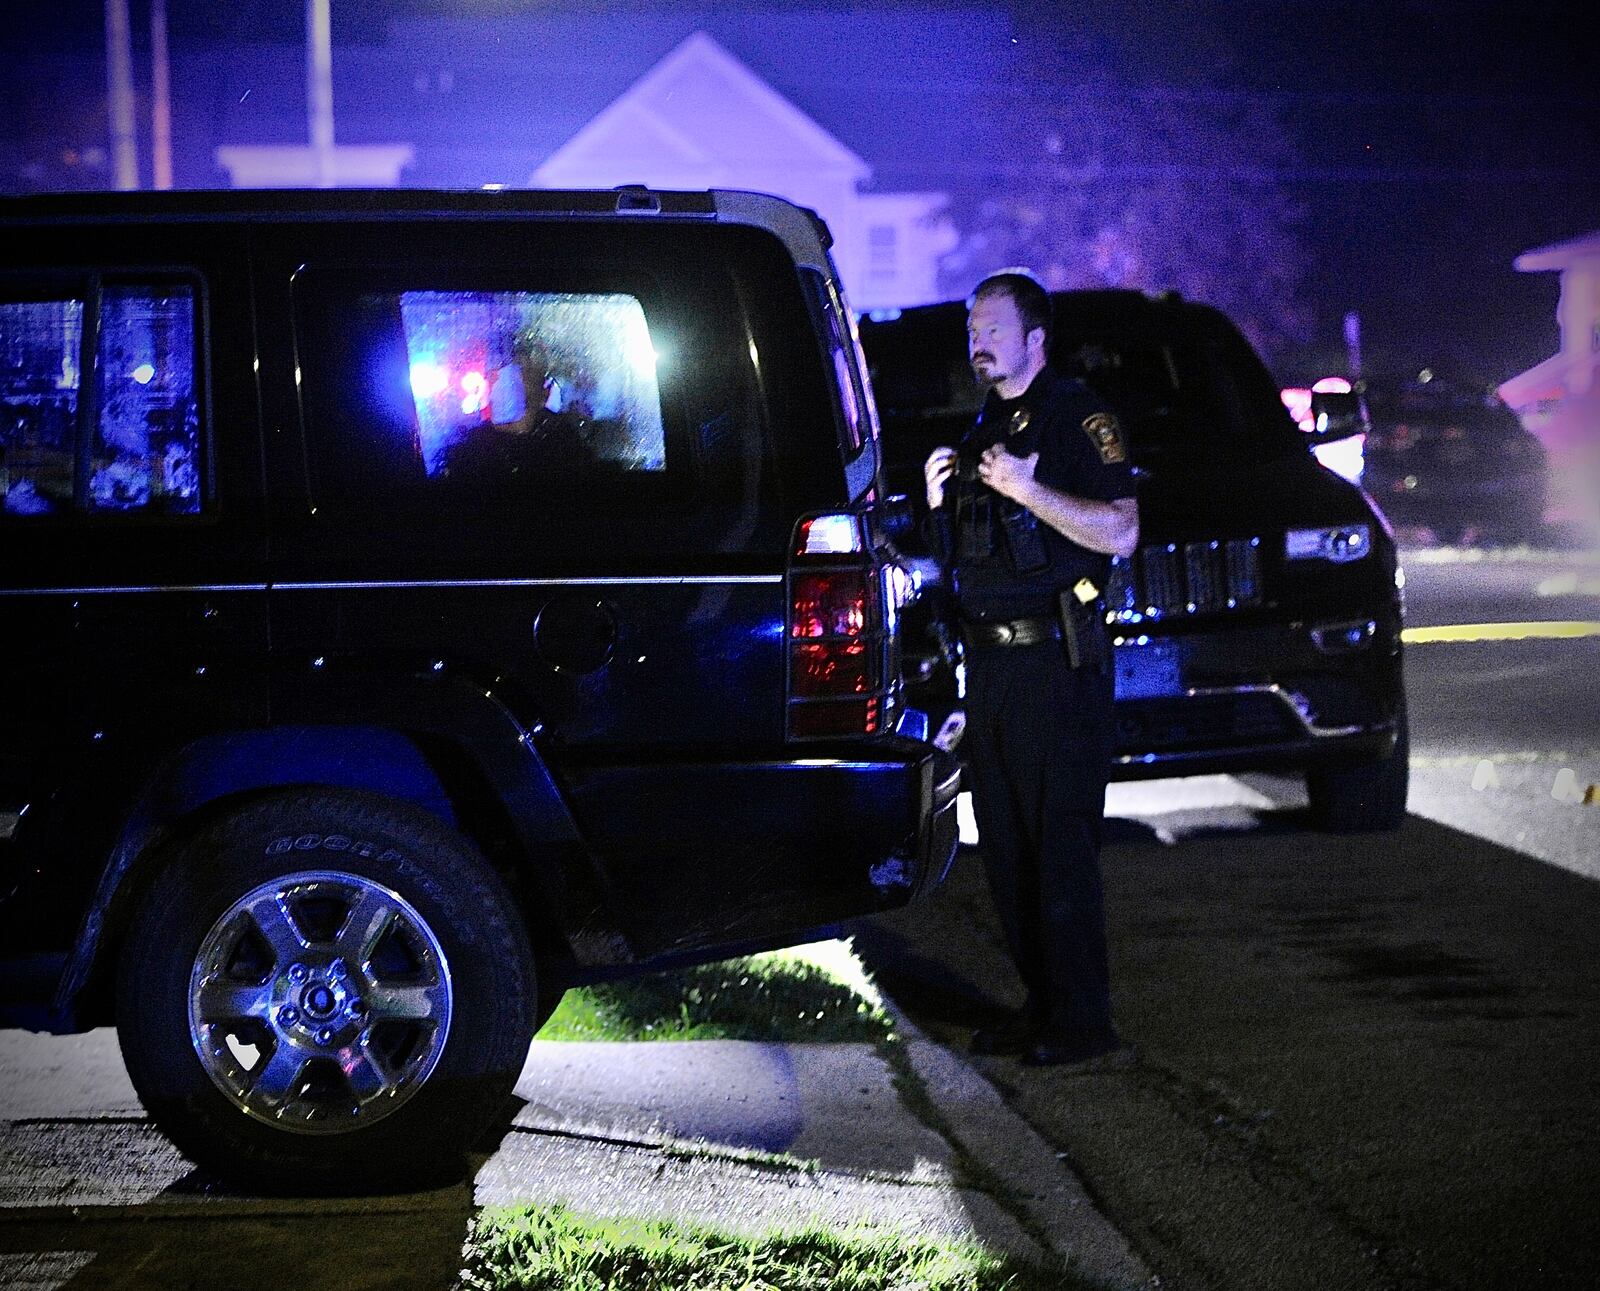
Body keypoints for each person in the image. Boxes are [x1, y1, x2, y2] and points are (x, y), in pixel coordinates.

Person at [923, 271, 1139, 1066]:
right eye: (972, 328)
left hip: (1056, 661)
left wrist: (1028, 485)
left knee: (1060, 847)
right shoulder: (984, 426)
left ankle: (1086, 1024)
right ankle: (1043, 1005)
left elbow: (1119, 530)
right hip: (993, 671)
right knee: (1009, 852)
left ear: (1034, 338)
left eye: (992, 327)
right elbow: (969, 563)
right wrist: (940, 504)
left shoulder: (1078, 416)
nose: (978, 341)